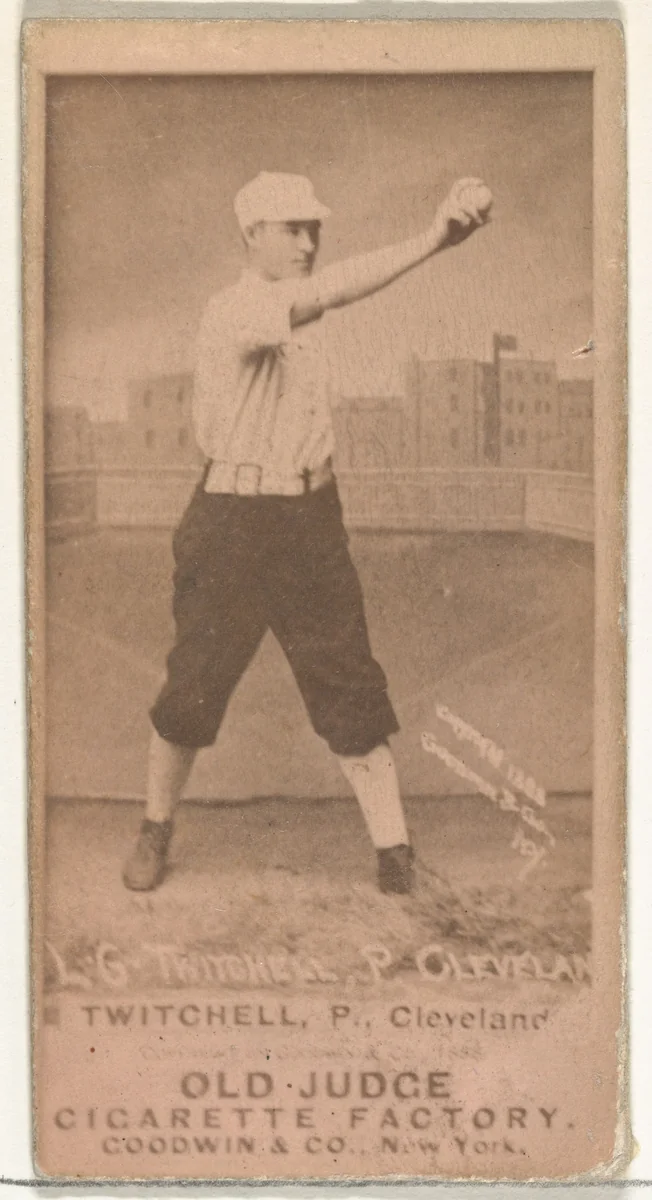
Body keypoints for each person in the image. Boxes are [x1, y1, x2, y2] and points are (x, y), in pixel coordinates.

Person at [122, 170, 492, 896]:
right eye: (292, 228)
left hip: (308, 523)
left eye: (314, 227)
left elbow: (319, 311)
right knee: (191, 689)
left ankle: (394, 849)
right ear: (250, 235)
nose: (309, 241)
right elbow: (327, 292)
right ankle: (156, 826)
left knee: (349, 682)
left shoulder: (305, 325)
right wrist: (432, 240)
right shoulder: (233, 310)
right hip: (231, 521)